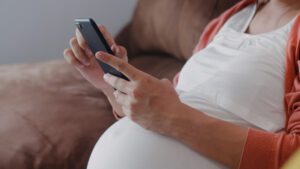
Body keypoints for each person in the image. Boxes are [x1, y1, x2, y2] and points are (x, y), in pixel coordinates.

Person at [63, 0, 300, 168]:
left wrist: (172, 115)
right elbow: (161, 114)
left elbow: (295, 157)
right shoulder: (229, 20)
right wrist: (110, 85)